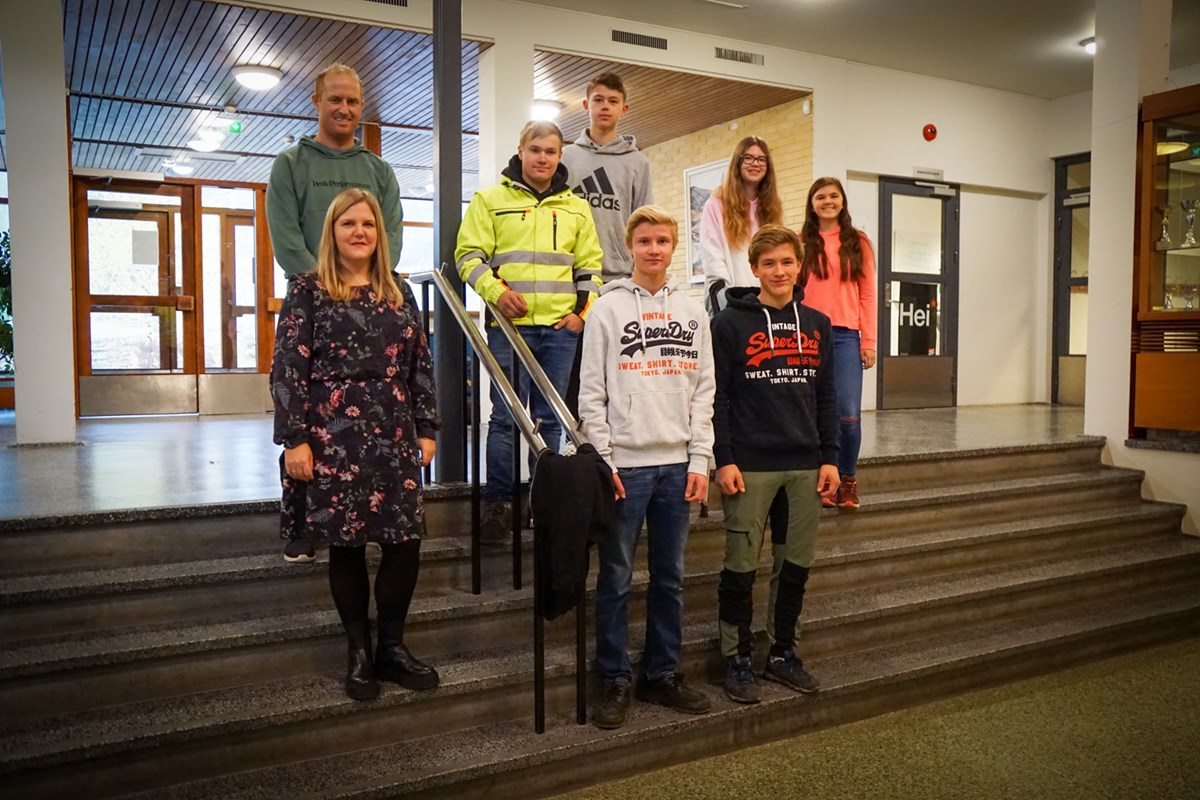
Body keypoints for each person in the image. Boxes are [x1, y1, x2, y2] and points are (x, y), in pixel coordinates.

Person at [271, 188, 439, 701]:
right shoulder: (307, 289)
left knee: (403, 542)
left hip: (392, 430)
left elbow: (419, 364)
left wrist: (427, 427)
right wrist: (294, 439)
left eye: (367, 224)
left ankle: (391, 646)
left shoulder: (399, 292)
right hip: (331, 434)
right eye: (348, 224)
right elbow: (288, 366)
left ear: (379, 234)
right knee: (345, 545)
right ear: (333, 232)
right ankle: (358, 652)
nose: (359, 232)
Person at [579, 205, 714, 729]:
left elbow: (704, 390)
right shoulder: (607, 310)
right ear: (630, 247)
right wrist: (605, 460)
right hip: (627, 469)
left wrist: (700, 457)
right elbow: (591, 394)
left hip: (678, 465)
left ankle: (661, 673)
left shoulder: (693, 308)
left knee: (670, 578)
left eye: (662, 240)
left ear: (673, 247)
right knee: (614, 578)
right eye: (644, 241)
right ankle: (613, 677)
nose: (653, 249)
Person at [267, 62, 405, 564]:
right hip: (313, 303)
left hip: (371, 303)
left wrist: (363, 291)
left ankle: (364, 517)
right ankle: (302, 526)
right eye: (335, 100)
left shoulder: (379, 171)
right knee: (302, 405)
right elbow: (286, 238)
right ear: (316, 101)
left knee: (361, 428)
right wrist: (328, 288)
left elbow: (389, 235)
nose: (344, 109)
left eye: (352, 101)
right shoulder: (290, 165)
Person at [456, 120, 604, 542]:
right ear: (521, 150)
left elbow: (591, 268)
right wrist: (497, 293)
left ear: (560, 157)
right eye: (535, 149)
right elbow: (468, 256)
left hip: (561, 331)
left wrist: (582, 314)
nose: (543, 158)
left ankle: (544, 503)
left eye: (551, 152)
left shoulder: (576, 207)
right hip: (509, 329)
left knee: (552, 421)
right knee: (503, 419)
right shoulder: (490, 200)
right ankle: (498, 507)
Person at [710, 224, 838, 705]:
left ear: (798, 265)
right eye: (769, 264)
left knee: (795, 565)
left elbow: (827, 396)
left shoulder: (819, 324)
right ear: (754, 269)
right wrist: (724, 459)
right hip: (751, 465)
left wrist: (831, 459)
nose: (778, 271)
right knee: (741, 567)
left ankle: (783, 653)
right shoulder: (729, 324)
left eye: (786, 262)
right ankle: (736, 659)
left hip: (805, 465)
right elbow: (717, 399)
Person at [800, 177, 877, 510]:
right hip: (806, 334)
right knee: (811, 413)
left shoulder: (857, 241)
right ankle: (821, 481)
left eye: (833, 196)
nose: (827, 201)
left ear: (842, 201)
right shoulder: (801, 241)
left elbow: (868, 292)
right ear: (812, 202)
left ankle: (847, 480)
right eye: (820, 196)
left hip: (845, 335)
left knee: (847, 414)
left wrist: (869, 340)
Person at [561, 72, 654, 283]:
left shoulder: (638, 163)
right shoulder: (565, 158)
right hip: (570, 273)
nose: (605, 106)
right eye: (598, 100)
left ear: (624, 109)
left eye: (613, 101)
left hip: (619, 275)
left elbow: (644, 223)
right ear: (586, 105)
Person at [699, 136, 784, 315]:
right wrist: (730, 300)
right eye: (748, 158)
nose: (755, 163)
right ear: (738, 162)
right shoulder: (716, 204)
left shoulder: (772, 209)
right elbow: (713, 257)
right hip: (731, 302)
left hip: (766, 303)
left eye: (761, 159)